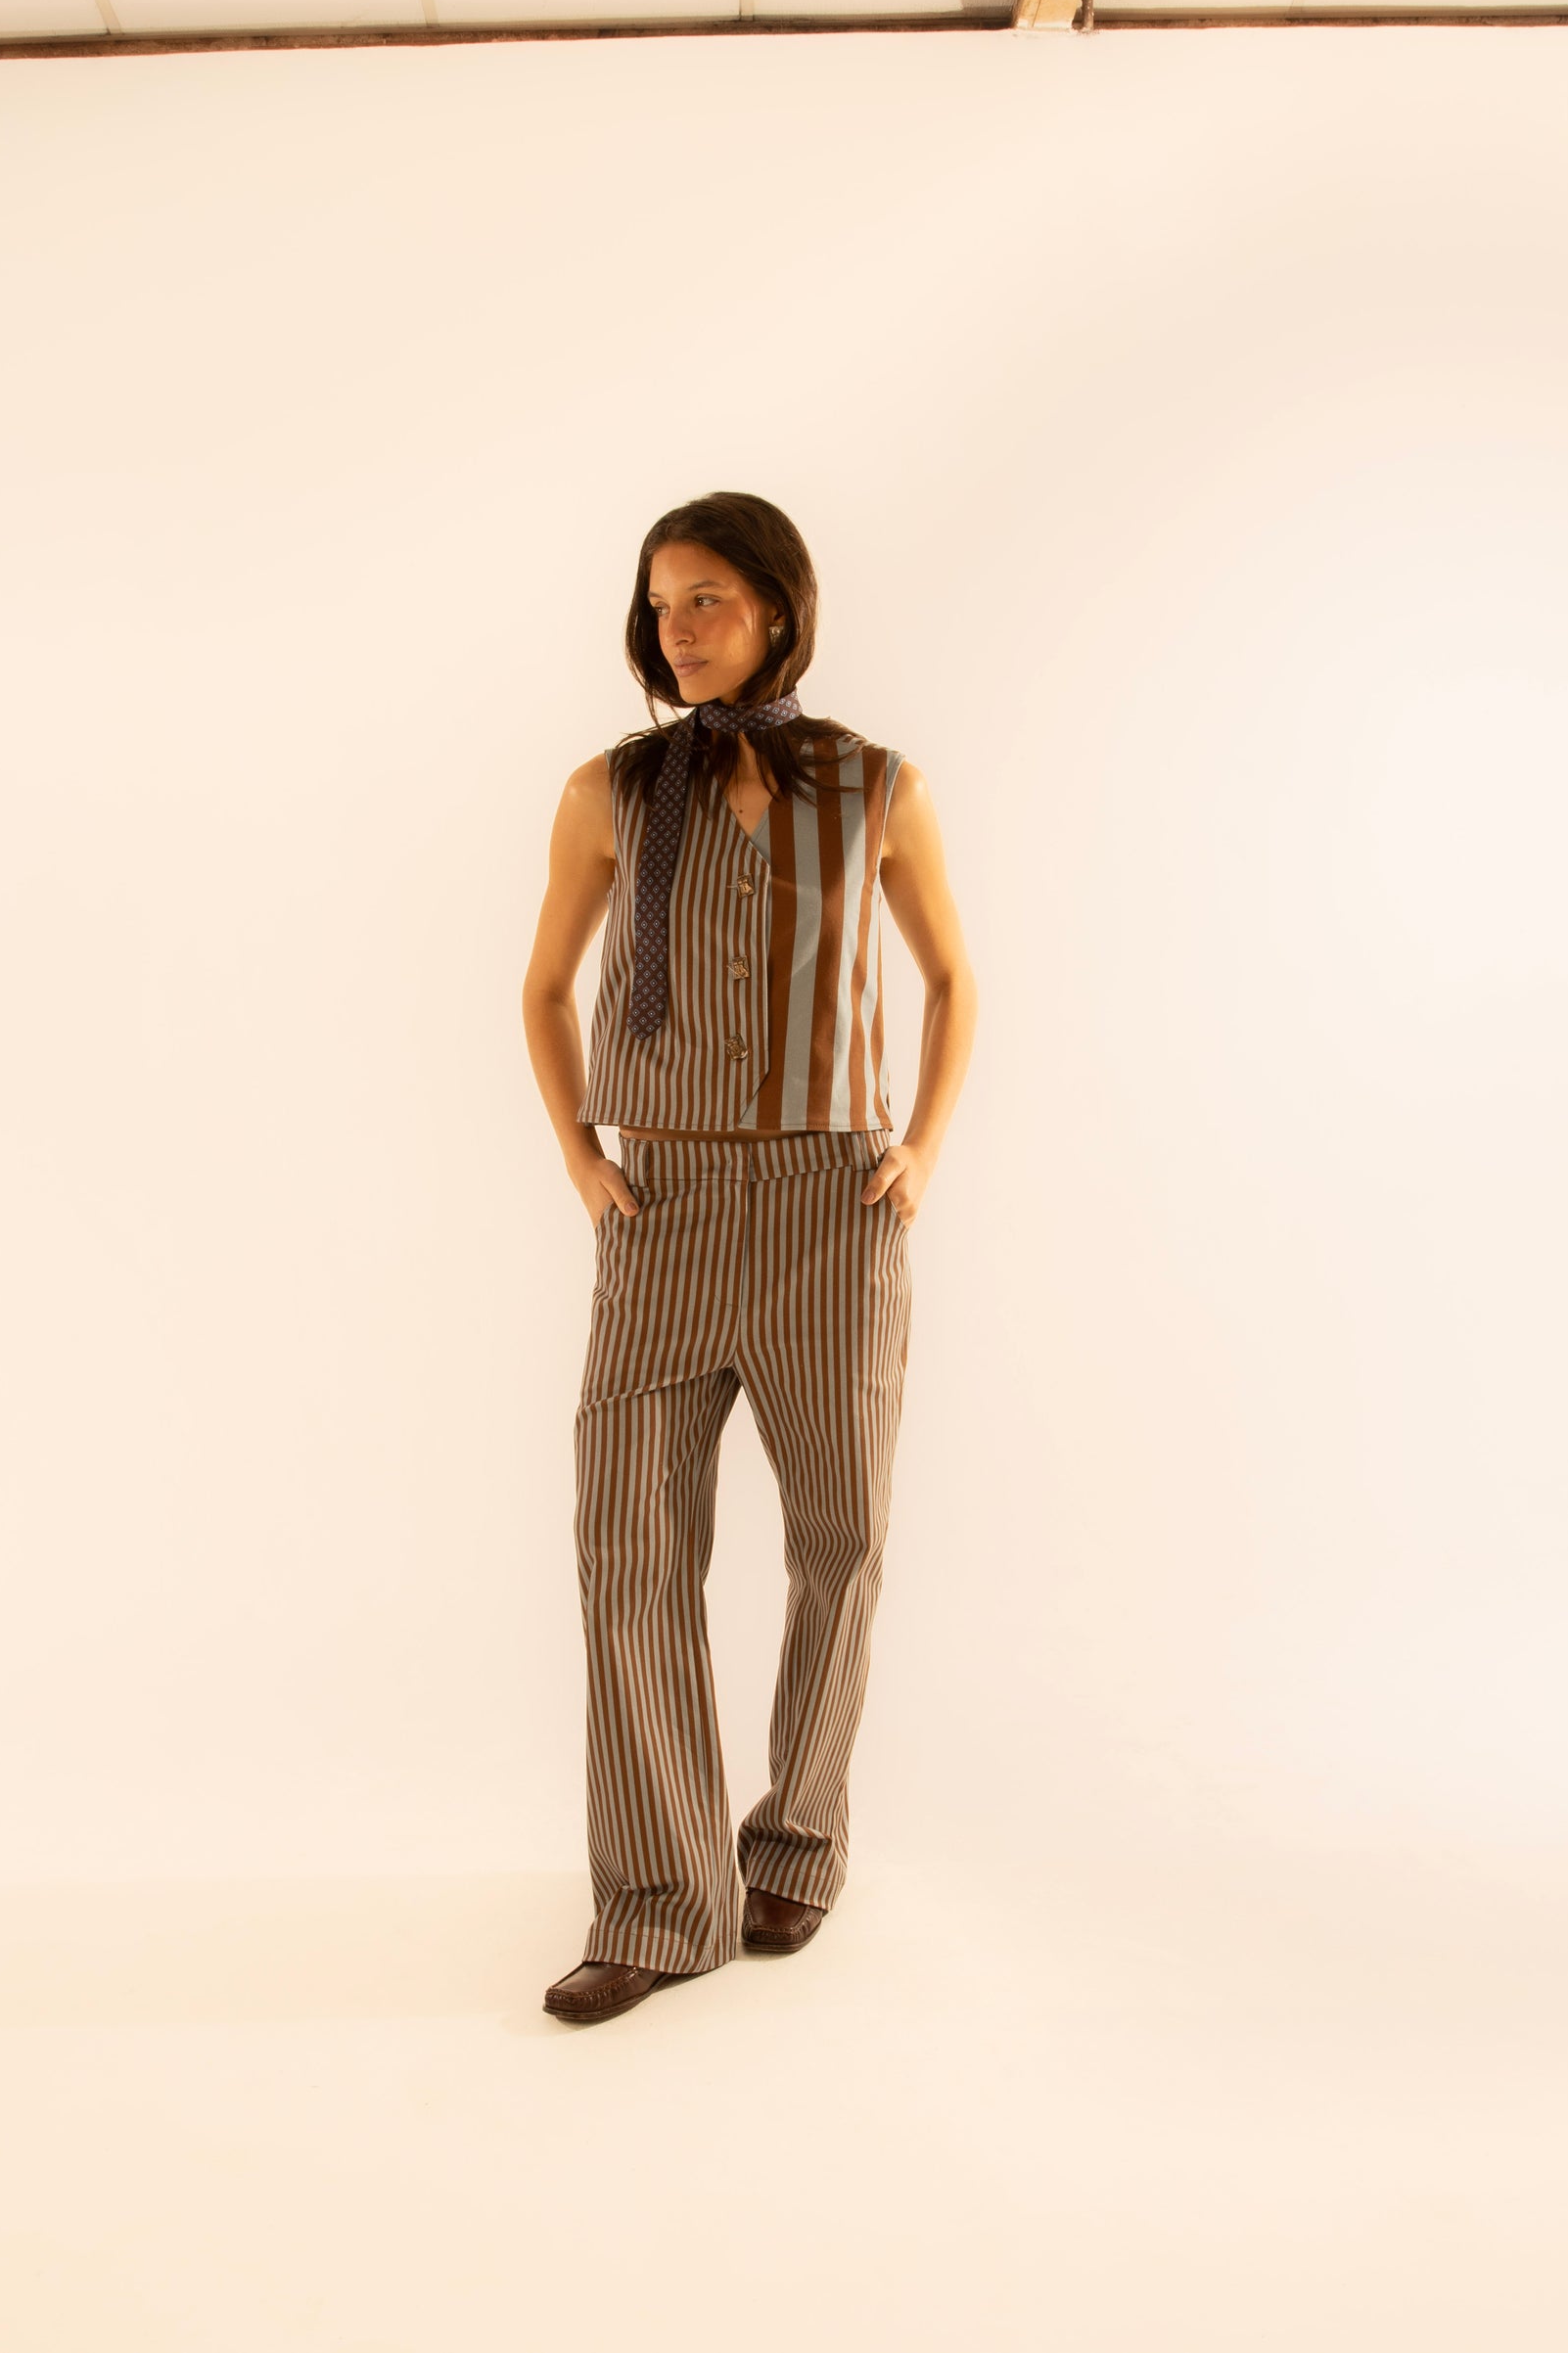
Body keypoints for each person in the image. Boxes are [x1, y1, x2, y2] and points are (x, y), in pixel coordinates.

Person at [520, 490, 977, 2024]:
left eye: (706, 597)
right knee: (627, 1548)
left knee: (837, 1538)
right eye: (660, 604)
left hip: (833, 1211)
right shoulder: (608, 789)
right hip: (659, 1212)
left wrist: (918, 1149)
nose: (678, 629)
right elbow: (544, 989)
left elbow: (952, 978)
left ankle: (796, 1841)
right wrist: (583, 1160)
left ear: (777, 605)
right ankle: (661, 1900)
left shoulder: (876, 784)